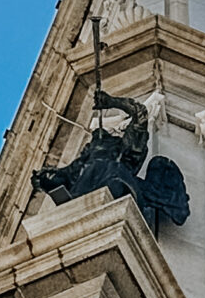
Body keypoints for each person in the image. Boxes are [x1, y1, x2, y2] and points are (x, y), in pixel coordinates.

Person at [33, 87, 190, 233]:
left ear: (111, 146)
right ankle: (75, 211)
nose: (93, 144)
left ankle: (77, 209)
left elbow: (140, 113)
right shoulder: (79, 167)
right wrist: (44, 179)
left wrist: (112, 102)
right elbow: (60, 179)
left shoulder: (124, 151)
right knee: (91, 169)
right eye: (93, 144)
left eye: (100, 142)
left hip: (119, 186)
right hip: (85, 197)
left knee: (104, 167)